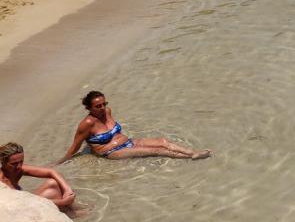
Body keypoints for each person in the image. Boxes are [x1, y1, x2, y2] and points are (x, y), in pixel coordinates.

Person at [58, 91, 210, 163]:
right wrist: (60, 161)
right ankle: (189, 157)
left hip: (128, 142)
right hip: (112, 151)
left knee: (163, 141)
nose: (102, 108)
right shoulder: (87, 123)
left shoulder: (108, 112)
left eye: (104, 104)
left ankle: (193, 152)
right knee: (158, 151)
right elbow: (75, 145)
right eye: (98, 106)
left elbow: (115, 131)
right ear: (89, 108)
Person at [1, 142, 77, 212]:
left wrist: (67, 190)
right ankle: (71, 213)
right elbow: (19, 203)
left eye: (21, 161)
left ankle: (72, 210)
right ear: (3, 162)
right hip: (18, 208)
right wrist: (62, 202)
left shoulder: (18, 170)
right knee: (53, 193)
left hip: (26, 202)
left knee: (53, 183)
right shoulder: (2, 181)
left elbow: (51, 172)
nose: (19, 166)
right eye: (14, 163)